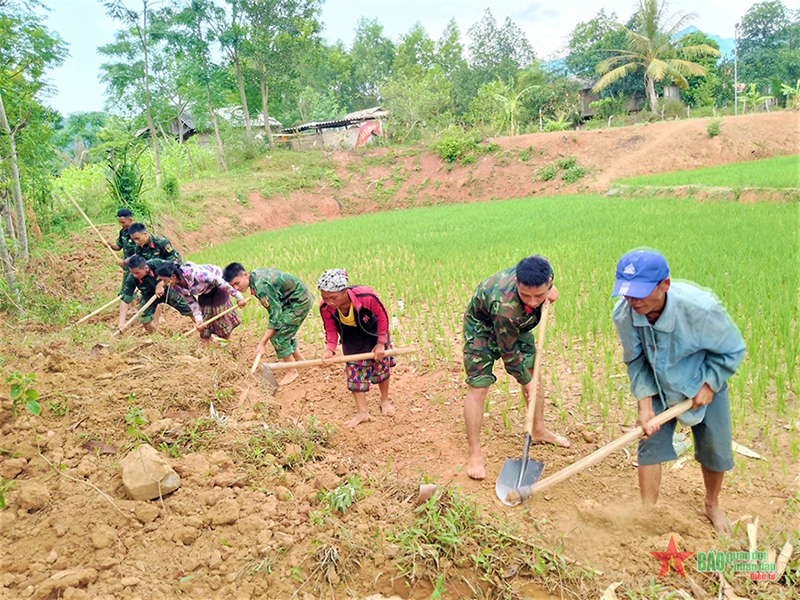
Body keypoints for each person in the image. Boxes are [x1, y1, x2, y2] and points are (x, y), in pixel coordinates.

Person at [611, 248, 745, 533]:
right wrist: (645, 404)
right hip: (656, 382)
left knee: (714, 447)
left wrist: (710, 383)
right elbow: (635, 360)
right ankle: (648, 513)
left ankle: (712, 504)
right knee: (650, 444)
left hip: (702, 377)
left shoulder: (701, 309)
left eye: (639, 293)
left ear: (665, 285)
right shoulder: (624, 313)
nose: (631, 300)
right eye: (626, 293)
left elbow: (732, 349)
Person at [463, 255, 570, 481]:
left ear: (548, 281)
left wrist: (549, 294)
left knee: (534, 373)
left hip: (516, 325)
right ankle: (474, 454)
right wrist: (525, 381)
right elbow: (509, 354)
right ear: (517, 285)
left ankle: (538, 429)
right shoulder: (505, 306)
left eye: (538, 295)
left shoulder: (542, 272)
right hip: (482, 327)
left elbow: (537, 295)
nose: (532, 302)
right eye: (526, 295)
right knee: (479, 385)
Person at [317, 269, 395, 427]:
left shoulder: (366, 296)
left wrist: (381, 342)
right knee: (354, 371)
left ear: (345, 291)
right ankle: (362, 413)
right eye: (325, 298)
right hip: (351, 336)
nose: (330, 302)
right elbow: (331, 330)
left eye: (333, 298)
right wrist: (329, 350)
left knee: (381, 367)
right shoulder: (325, 308)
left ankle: (384, 401)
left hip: (372, 331)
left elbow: (382, 315)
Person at [223, 263, 313, 386]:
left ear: (245, 274)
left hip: (299, 301)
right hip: (289, 301)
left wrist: (262, 343)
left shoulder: (261, 286)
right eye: (232, 286)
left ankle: (292, 371)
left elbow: (275, 315)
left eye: (237, 283)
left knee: (278, 336)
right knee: (285, 330)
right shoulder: (254, 277)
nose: (236, 288)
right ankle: (301, 362)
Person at [156, 262, 246, 348]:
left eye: (165, 280)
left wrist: (239, 297)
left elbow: (221, 283)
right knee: (204, 320)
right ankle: (205, 354)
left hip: (217, 286)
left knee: (219, 316)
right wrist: (198, 319)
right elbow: (191, 301)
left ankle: (227, 348)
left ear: (173, 276)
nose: (164, 283)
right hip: (204, 290)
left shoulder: (198, 275)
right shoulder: (176, 286)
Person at [118, 256, 193, 334]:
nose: (134, 275)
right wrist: (121, 322)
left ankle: (201, 327)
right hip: (148, 295)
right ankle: (158, 338)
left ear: (146, 268)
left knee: (189, 309)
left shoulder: (156, 263)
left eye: (137, 273)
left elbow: (174, 269)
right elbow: (125, 300)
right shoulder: (132, 278)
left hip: (168, 290)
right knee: (144, 318)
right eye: (132, 272)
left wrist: (161, 284)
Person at [117, 223, 182, 267]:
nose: (136, 242)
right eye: (134, 239)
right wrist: (124, 262)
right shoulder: (138, 246)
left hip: (171, 270)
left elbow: (174, 260)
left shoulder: (161, 242)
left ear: (145, 234)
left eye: (138, 238)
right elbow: (137, 256)